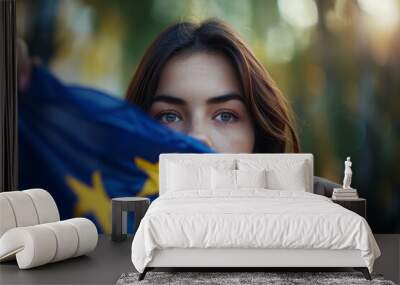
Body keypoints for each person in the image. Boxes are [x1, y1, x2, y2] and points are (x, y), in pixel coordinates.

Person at [126, 19, 298, 154]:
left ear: (259, 138)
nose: (197, 137)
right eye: (169, 117)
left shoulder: (311, 198)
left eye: (225, 116)